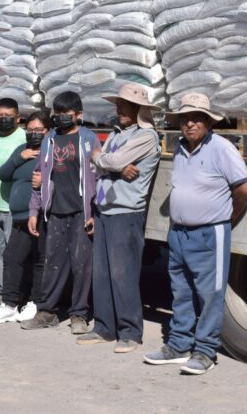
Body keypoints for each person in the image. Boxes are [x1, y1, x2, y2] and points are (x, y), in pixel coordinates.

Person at [143, 93, 247, 375]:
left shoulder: (221, 148)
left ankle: (205, 351)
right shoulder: (180, 148)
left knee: (210, 295)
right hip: (179, 234)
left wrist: (226, 219)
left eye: (196, 119)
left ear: (207, 122)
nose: (190, 124)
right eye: (185, 119)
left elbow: (243, 189)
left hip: (208, 233)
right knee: (180, 292)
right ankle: (179, 345)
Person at [77, 84, 161, 353]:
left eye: (126, 106)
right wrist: (112, 164)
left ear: (140, 111)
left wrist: (107, 161)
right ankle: (104, 327)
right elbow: (96, 162)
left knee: (123, 274)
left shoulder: (147, 136)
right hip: (105, 210)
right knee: (102, 273)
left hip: (126, 212)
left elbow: (105, 160)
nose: (120, 109)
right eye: (119, 105)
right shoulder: (116, 135)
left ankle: (130, 332)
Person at [21, 92, 101, 334]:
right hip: (54, 212)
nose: (60, 118)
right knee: (52, 263)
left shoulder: (88, 140)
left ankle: (79, 314)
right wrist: (34, 210)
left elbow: (99, 178)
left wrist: (94, 213)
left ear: (79, 115)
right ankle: (47, 312)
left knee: (81, 265)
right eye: (57, 114)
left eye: (65, 114)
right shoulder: (50, 140)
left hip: (81, 212)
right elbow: (40, 176)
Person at [0, 112, 51, 324]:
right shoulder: (21, 149)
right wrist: (19, 158)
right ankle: (10, 304)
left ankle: (35, 302)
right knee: (12, 257)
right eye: (30, 130)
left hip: (41, 215)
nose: (34, 134)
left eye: (38, 130)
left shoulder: (51, 151)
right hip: (20, 216)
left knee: (38, 260)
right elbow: (4, 174)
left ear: (48, 131)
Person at [0, 98, 27, 309]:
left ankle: (17, 295)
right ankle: (1, 292)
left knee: (16, 256)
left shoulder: (24, 138)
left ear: (18, 118)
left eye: (8, 117)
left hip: (14, 209)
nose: (3, 120)